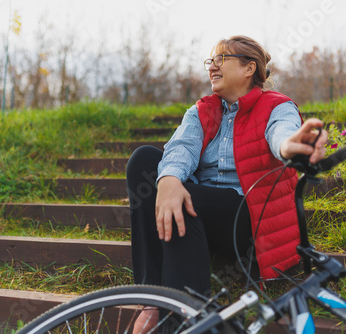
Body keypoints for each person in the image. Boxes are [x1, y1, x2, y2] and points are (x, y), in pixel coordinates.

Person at [126, 35, 328, 333]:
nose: (212, 67)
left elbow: (281, 133)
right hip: (203, 210)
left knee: (187, 196)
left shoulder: (277, 106)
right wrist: (168, 179)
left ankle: (188, 316)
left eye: (222, 59)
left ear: (249, 68)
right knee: (144, 159)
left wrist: (289, 146)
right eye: (211, 61)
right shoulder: (202, 111)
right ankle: (154, 299)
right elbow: (181, 147)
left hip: (249, 222)